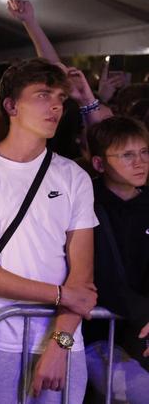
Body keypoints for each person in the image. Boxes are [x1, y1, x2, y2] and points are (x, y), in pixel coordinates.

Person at [0, 58, 98, 403]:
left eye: (60, 97)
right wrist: (61, 295)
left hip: (64, 338)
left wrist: (60, 345)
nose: (56, 105)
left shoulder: (73, 176)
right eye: (43, 95)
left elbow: (82, 275)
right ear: (11, 105)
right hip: (1, 336)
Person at [83, 116, 149, 402]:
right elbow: (100, 275)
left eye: (145, 152)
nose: (140, 162)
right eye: (127, 155)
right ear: (99, 164)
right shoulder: (85, 203)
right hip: (95, 335)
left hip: (138, 333)